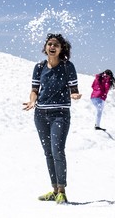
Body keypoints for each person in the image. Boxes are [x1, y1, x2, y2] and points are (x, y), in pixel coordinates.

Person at [23, 33, 81, 204]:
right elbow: (34, 89)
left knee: (58, 151)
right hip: (40, 115)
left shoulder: (67, 67)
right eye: (49, 44)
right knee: (48, 152)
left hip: (60, 115)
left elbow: (73, 89)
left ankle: (62, 190)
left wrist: (75, 95)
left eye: (56, 44)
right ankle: (54, 189)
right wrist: (32, 101)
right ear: (45, 47)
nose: (52, 47)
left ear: (62, 48)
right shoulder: (39, 67)